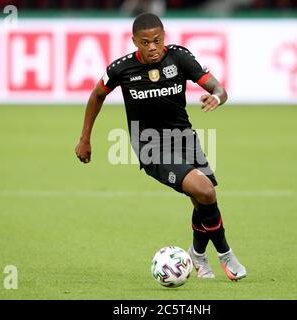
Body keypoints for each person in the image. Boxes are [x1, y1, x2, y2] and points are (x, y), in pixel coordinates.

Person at [75, 12, 246, 281]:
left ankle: (198, 255)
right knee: (205, 191)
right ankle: (226, 255)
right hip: (149, 146)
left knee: (202, 198)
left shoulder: (179, 57)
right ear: (134, 42)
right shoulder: (121, 69)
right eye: (145, 42)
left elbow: (217, 87)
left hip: (184, 138)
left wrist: (217, 96)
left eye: (157, 40)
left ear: (164, 36)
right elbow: (97, 95)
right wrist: (85, 138)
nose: (152, 47)